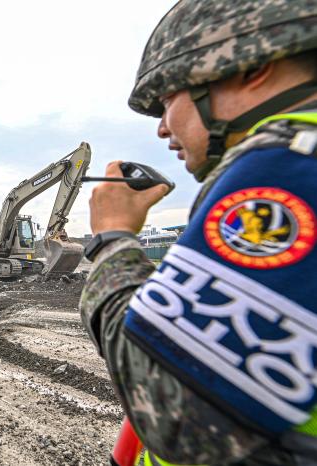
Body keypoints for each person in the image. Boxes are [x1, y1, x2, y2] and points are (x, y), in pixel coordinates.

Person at [79, 1, 317, 465]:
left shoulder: (287, 167)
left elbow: (179, 417)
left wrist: (112, 239)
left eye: (168, 99)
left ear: (252, 65)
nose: (164, 129)